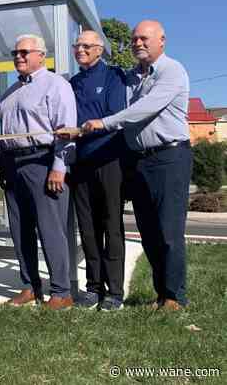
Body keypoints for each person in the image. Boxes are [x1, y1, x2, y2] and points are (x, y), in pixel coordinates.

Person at [83, 20, 191, 311]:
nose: (138, 43)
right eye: (134, 40)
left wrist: (101, 123)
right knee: (149, 232)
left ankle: (175, 297)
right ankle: (161, 294)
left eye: (144, 38)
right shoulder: (131, 78)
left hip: (170, 157)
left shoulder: (172, 71)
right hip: (139, 161)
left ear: (162, 41)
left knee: (169, 231)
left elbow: (142, 110)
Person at [0, 34, 77, 310]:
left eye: (24, 52)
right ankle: (30, 286)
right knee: (20, 230)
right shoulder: (9, 92)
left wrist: (59, 167)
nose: (18, 57)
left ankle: (61, 291)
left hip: (42, 162)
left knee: (50, 229)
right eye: (15, 52)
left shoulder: (56, 85)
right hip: (13, 164)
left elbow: (66, 129)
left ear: (41, 55)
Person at [64, 31, 127, 311]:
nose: (80, 50)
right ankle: (92, 287)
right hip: (81, 163)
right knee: (87, 229)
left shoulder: (114, 77)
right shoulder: (72, 83)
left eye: (86, 46)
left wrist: (85, 126)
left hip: (109, 160)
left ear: (100, 50)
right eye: (77, 45)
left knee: (111, 225)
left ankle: (114, 291)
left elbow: (112, 116)